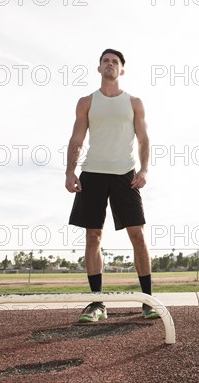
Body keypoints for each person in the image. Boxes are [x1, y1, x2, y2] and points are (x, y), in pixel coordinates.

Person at [65, 49, 158, 322]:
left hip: (124, 175)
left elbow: (144, 139)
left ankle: (148, 302)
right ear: (99, 68)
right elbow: (76, 139)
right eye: (106, 61)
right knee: (93, 236)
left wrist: (145, 169)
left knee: (137, 235)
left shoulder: (134, 102)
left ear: (122, 70)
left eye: (115, 62)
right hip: (92, 174)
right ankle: (97, 304)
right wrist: (70, 170)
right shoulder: (86, 102)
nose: (110, 64)